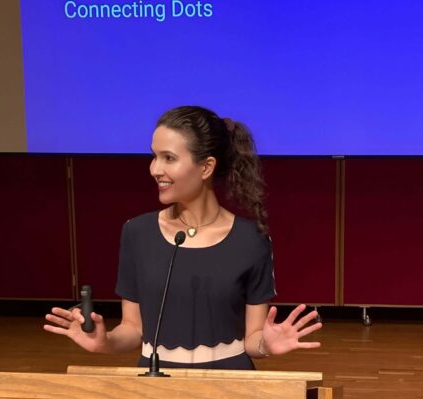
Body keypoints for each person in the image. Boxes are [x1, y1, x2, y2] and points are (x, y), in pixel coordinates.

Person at [44, 106, 322, 368]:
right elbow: (133, 329)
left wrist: (266, 345)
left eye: (169, 158)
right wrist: (103, 342)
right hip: (157, 382)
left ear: (206, 167)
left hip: (230, 384)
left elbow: (252, 339)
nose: (155, 169)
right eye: (154, 156)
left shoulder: (251, 240)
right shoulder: (137, 233)